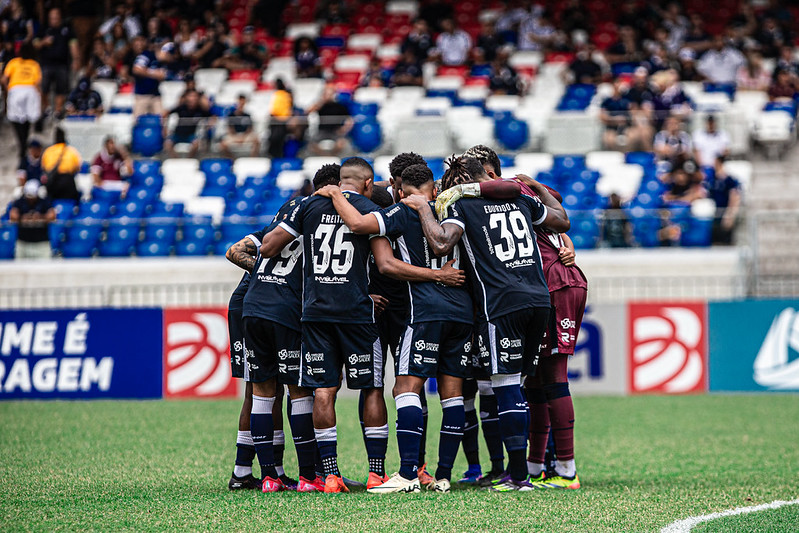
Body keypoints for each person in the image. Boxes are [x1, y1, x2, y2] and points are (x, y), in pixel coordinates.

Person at [259, 158, 448, 493]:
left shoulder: (307, 205)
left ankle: (328, 475)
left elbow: (275, 245)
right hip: (359, 313)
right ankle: (376, 472)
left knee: (323, 390)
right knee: (372, 387)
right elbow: (383, 260)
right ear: (367, 182)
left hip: (316, 313)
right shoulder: (366, 207)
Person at [404, 155, 570, 491]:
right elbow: (562, 220)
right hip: (538, 299)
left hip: (500, 303)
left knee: (506, 387)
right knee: (518, 387)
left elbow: (440, 242)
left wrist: (423, 207)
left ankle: (519, 477)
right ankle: (520, 471)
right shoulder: (520, 197)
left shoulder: (462, 204)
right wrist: (536, 187)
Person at [315, 163, 470, 494]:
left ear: (399, 188)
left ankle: (406, 472)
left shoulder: (393, 211)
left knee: (398, 386)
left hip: (407, 309)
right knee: (446, 392)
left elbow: (376, 251)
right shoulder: (456, 210)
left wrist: (333, 191)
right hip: (457, 309)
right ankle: (439, 473)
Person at [34, 8, 78, 125]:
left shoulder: (66, 29)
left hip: (62, 64)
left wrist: (75, 59)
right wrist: (44, 42)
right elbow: (35, 44)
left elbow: (73, 45)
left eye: (56, 17)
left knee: (61, 89)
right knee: (43, 88)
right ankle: (47, 109)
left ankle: (58, 112)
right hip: (46, 63)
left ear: (60, 17)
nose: (54, 19)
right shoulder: (44, 29)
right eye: (52, 17)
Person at [1, 42, 41, 164]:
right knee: (28, 118)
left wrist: (8, 90)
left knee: (15, 118)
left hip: (16, 89)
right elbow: (38, 82)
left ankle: (22, 142)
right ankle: (24, 141)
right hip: (30, 90)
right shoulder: (34, 64)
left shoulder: (13, 62)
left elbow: (3, 79)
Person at [9, 180, 55, 260]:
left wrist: (40, 217)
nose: (30, 199)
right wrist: (23, 218)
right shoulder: (20, 202)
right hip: (23, 242)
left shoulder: (44, 202)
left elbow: (52, 216)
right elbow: (13, 216)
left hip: (41, 243)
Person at [162, 89, 213, 158]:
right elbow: (166, 113)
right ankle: (175, 160)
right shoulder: (181, 108)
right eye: (190, 96)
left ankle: (189, 160)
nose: (192, 98)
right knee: (167, 144)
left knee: (196, 144)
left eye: (195, 96)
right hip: (177, 134)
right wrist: (165, 128)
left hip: (191, 135)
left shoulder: (200, 109)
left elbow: (212, 116)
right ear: (186, 97)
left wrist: (209, 124)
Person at [132, 39, 175, 117]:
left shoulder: (165, 63)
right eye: (169, 54)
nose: (170, 57)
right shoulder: (147, 55)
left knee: (162, 120)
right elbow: (136, 69)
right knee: (138, 122)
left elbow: (164, 76)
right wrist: (154, 73)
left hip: (155, 95)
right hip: (142, 95)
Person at [307, 85, 352, 156]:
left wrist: (343, 129)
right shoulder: (320, 106)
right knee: (311, 145)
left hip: (336, 132)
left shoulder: (340, 106)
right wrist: (321, 103)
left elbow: (349, 120)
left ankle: (332, 156)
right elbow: (308, 112)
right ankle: (324, 157)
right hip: (321, 132)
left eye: (329, 94)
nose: (328, 95)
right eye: (326, 93)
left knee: (342, 144)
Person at [706, 156, 741, 245]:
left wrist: (730, 213)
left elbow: (735, 196)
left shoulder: (730, 180)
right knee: (715, 240)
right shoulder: (712, 180)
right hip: (714, 212)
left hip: (725, 212)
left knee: (726, 239)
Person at [600, 80, 641, 152]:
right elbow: (602, 116)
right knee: (608, 139)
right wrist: (614, 120)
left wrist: (627, 118)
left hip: (627, 126)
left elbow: (634, 111)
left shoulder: (627, 99)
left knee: (634, 136)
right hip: (612, 127)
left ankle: (627, 155)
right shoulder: (607, 101)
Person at [41, 128, 81, 202]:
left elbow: (44, 168)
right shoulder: (71, 151)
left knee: (52, 205)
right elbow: (77, 168)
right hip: (67, 181)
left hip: (53, 181)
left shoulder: (48, 151)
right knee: (70, 203)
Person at [267, 79, 293, 158]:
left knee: (278, 140)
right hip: (280, 120)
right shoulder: (284, 95)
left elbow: (275, 110)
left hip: (281, 121)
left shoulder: (280, 95)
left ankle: (276, 155)